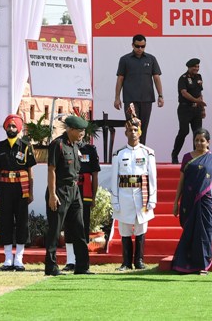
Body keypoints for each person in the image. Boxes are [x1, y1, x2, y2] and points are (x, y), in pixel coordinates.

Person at [110, 107, 158, 271]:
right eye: (129, 130)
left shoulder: (148, 153)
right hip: (124, 194)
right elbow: (114, 178)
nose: (132, 132)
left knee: (140, 228)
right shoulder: (119, 154)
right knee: (124, 229)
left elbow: (152, 177)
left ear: (140, 132)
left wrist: (152, 199)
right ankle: (125, 262)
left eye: (135, 130)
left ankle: (139, 261)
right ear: (125, 133)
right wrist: (114, 200)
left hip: (141, 194)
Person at [44, 115, 93, 276]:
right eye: (80, 130)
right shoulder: (57, 145)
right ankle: (51, 267)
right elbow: (51, 169)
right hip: (59, 190)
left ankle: (82, 266)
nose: (82, 134)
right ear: (70, 129)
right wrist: (52, 194)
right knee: (55, 230)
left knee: (79, 228)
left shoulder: (75, 145)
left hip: (74, 191)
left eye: (84, 131)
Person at [0, 114, 36, 271]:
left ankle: (19, 259)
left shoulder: (25, 146)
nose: (11, 128)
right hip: (5, 189)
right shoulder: (0, 146)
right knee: (5, 221)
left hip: (21, 189)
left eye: (14, 126)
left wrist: (31, 191)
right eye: (8, 126)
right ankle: (8, 258)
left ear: (19, 129)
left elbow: (30, 171)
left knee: (22, 222)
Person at [171, 128, 212, 274]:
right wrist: (176, 202)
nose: (199, 143)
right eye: (196, 140)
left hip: (206, 201)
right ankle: (184, 263)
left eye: (202, 140)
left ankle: (203, 264)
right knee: (190, 231)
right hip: (189, 200)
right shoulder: (187, 157)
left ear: (208, 142)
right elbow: (181, 181)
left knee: (205, 232)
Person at [114, 34, 164, 145]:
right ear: (132, 45)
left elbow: (156, 78)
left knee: (143, 128)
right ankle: (132, 150)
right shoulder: (125, 59)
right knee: (132, 128)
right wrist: (117, 98)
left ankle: (142, 152)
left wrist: (160, 95)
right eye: (137, 46)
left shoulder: (151, 59)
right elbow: (120, 79)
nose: (140, 49)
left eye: (143, 46)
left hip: (146, 99)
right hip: (130, 100)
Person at [64, 139, 101, 272]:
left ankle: (82, 260)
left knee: (83, 225)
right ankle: (70, 261)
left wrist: (94, 197)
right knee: (68, 226)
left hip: (84, 192)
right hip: (69, 189)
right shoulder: (65, 147)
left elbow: (95, 175)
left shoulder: (90, 149)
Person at [171, 58, 205, 164]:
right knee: (184, 131)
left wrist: (202, 108)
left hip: (197, 109)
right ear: (189, 67)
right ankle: (175, 154)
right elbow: (184, 93)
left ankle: (197, 157)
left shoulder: (199, 77)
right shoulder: (183, 78)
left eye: (198, 66)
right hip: (185, 108)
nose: (196, 68)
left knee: (198, 133)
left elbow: (200, 94)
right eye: (194, 67)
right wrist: (196, 100)